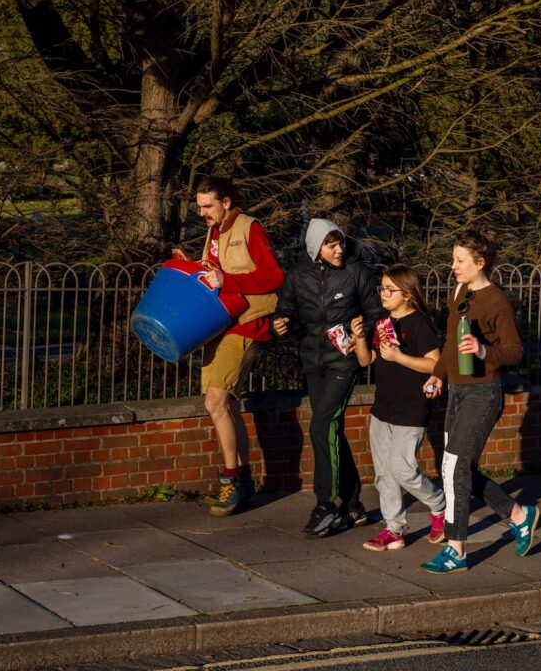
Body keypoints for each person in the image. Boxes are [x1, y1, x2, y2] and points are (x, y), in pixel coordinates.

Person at [420, 227, 536, 573]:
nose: (452, 266)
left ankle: (456, 551)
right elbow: (451, 343)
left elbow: (515, 351)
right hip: (457, 392)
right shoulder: (460, 291)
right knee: (458, 468)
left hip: (483, 394)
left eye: (459, 260)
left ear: (479, 262)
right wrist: (438, 375)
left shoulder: (497, 300)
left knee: (454, 468)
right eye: (453, 259)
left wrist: (484, 350)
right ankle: (519, 515)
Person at [172, 176, 283, 516]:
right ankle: (244, 480)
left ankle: (230, 481)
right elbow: (217, 274)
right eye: (199, 206)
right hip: (219, 324)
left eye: (207, 206)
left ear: (227, 202)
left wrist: (228, 280)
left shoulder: (250, 228)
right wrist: (194, 265)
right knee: (229, 406)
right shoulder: (215, 232)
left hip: (246, 323)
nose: (201, 212)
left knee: (215, 401)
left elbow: (274, 276)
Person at [272, 219, 383, 536]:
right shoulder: (297, 276)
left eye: (340, 243)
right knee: (331, 430)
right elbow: (287, 311)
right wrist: (280, 325)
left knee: (322, 425)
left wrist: (362, 336)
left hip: (343, 362)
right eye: (330, 244)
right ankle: (353, 505)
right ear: (315, 248)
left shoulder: (356, 272)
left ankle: (326, 506)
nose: (338, 249)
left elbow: (376, 314)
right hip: (313, 362)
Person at [350, 265, 446, 552]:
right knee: (383, 473)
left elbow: (435, 363)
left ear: (407, 294)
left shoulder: (419, 324)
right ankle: (395, 529)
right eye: (382, 288)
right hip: (383, 407)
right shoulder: (383, 322)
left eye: (389, 289)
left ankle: (438, 504)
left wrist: (400, 357)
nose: (383, 294)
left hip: (411, 407)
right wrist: (358, 339)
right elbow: (366, 361)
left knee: (402, 469)